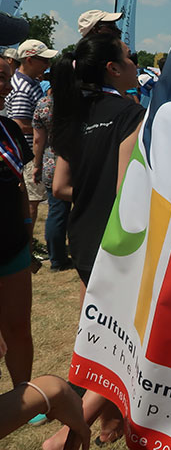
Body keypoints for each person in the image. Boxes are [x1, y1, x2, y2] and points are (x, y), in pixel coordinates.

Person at [52, 35, 143, 286]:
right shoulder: (132, 115)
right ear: (113, 69)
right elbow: (127, 191)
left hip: (81, 240)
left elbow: (59, 187)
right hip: (118, 243)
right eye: (129, 56)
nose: (135, 63)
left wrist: (91, 193)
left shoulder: (72, 113)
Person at [0, 43, 35, 395]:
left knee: (18, 327)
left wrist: (27, 227)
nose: (8, 88)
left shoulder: (9, 128)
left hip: (12, 247)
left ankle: (23, 394)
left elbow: (19, 182)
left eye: (8, 79)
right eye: (0, 79)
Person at [7, 39, 57, 228]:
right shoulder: (22, 88)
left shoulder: (31, 83)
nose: (47, 65)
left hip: (30, 152)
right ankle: (27, 246)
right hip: (28, 152)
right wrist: (47, 128)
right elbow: (18, 124)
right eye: (43, 60)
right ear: (29, 60)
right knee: (31, 204)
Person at [32, 87, 73, 271]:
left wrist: (36, 164)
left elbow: (38, 140)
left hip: (51, 161)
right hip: (76, 161)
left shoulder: (43, 104)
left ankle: (57, 258)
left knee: (56, 212)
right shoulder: (78, 101)